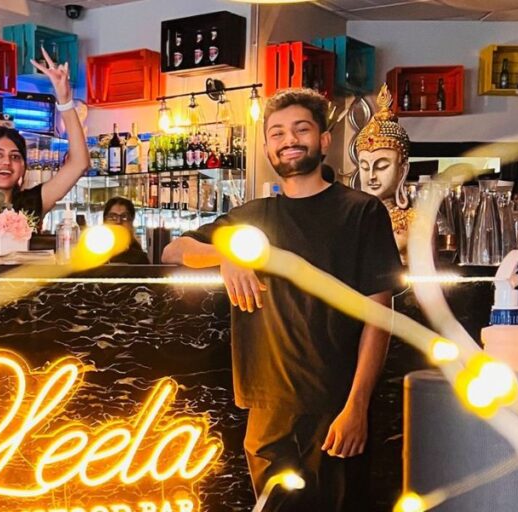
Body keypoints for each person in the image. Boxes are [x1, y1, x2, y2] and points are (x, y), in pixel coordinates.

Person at [162, 88, 402, 511]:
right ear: (268, 147)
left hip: (334, 407)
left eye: (300, 129)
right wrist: (227, 255)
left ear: (324, 141)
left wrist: (357, 406)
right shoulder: (250, 218)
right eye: (276, 133)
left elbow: (379, 314)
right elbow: (174, 251)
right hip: (266, 410)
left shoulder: (361, 212)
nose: (288, 140)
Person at [0, 48, 88, 257]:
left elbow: (79, 163)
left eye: (15, 157)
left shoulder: (30, 204)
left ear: (23, 167)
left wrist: (65, 101)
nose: (6, 163)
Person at [353, 85, 414, 261]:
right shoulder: (350, 217)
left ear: (402, 169)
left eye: (381, 167)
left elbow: (428, 279)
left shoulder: (416, 222)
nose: (371, 175)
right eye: (364, 167)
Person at [102, 196, 149, 264]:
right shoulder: (93, 254)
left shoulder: (139, 258)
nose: (118, 221)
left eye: (124, 217)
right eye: (113, 217)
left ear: (131, 222)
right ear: (104, 221)